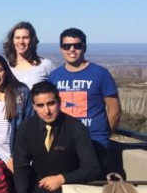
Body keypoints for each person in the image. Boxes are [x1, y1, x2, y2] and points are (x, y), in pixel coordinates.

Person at [48, 28, 122, 173]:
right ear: (61, 49)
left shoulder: (100, 74)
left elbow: (115, 110)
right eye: (66, 46)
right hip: (64, 144)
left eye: (77, 45)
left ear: (84, 47)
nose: (72, 49)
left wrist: (103, 134)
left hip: (95, 143)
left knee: (95, 188)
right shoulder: (54, 76)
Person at [4, 21, 55, 88]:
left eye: (25, 38)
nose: (21, 42)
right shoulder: (6, 67)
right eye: (17, 38)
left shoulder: (45, 65)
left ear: (32, 40)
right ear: (12, 40)